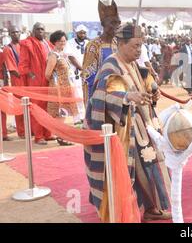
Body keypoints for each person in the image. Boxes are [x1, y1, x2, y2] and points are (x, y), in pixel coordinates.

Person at [84, 23, 171, 222]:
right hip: (122, 130)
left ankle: (151, 207)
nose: (139, 50)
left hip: (142, 125)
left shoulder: (133, 63)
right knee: (136, 170)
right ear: (120, 44)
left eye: (141, 46)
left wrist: (153, 89)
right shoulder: (111, 65)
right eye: (135, 46)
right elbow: (105, 95)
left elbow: (144, 79)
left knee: (151, 166)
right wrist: (128, 97)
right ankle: (124, 209)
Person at [18, 22, 54, 145]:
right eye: (38, 29)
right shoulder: (27, 44)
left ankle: (48, 134)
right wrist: (32, 76)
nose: (40, 31)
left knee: (48, 108)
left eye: (42, 29)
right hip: (36, 82)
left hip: (48, 80)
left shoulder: (47, 43)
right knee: (37, 108)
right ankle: (39, 136)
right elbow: (23, 65)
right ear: (33, 31)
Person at [82, 0, 120, 106]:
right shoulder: (94, 45)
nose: (117, 26)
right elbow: (87, 73)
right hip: (99, 93)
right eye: (113, 23)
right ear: (103, 24)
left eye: (118, 23)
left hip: (118, 92)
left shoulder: (117, 43)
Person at [45, 31, 78, 146]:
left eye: (64, 40)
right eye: (60, 41)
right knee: (60, 114)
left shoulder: (62, 54)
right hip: (58, 89)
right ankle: (61, 137)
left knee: (63, 114)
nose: (63, 43)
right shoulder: (53, 55)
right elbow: (47, 74)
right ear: (55, 42)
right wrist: (57, 84)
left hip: (65, 89)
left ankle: (61, 136)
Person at [3, 26, 25, 139]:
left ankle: (30, 129)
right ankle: (21, 131)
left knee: (29, 106)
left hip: (28, 81)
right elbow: (12, 69)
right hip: (18, 81)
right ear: (10, 34)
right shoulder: (8, 48)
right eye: (13, 32)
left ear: (20, 32)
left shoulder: (24, 45)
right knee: (20, 106)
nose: (15, 34)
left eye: (17, 31)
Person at [65, 24, 89, 123]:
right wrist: (82, 69)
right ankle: (77, 118)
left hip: (86, 73)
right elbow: (71, 57)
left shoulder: (88, 43)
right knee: (76, 95)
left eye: (84, 33)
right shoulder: (69, 43)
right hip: (75, 73)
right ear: (76, 33)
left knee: (85, 94)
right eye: (80, 33)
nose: (82, 34)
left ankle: (84, 117)